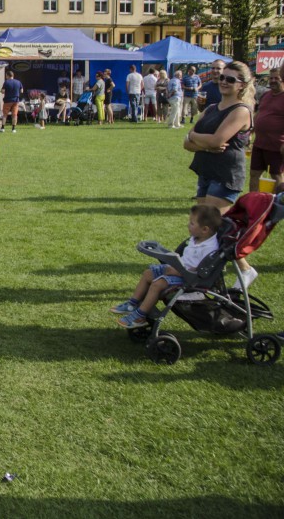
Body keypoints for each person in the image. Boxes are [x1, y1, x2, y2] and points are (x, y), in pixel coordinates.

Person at [184, 60, 257, 288]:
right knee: (207, 228)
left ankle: (218, 277)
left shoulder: (241, 111)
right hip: (205, 170)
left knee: (210, 229)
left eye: (230, 79)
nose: (224, 81)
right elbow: (187, 141)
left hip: (225, 174)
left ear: (242, 85)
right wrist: (204, 144)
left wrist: (199, 138)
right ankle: (228, 274)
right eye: (222, 77)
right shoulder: (212, 108)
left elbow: (216, 140)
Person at [111, 205, 222, 329]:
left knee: (158, 284)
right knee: (148, 273)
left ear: (205, 229)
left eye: (191, 223)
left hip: (189, 279)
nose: (188, 225)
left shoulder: (209, 248)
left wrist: (177, 270)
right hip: (178, 269)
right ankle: (132, 303)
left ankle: (140, 316)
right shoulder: (196, 238)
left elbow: (198, 270)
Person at [249, 68, 284, 192]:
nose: (273, 81)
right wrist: (250, 130)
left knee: (277, 176)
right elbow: (259, 112)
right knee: (254, 174)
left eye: (276, 78)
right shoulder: (266, 95)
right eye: (271, 78)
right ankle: (253, 203)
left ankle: (278, 205)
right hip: (259, 144)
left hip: (276, 146)